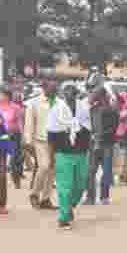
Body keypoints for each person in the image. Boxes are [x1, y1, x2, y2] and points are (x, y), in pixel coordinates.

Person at [47, 84, 92, 230]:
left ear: (76, 94)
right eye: (66, 93)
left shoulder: (83, 109)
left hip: (81, 153)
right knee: (64, 187)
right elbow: (51, 135)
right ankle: (63, 218)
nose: (69, 95)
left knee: (80, 185)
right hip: (63, 153)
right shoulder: (56, 110)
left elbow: (88, 128)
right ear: (63, 95)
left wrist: (76, 126)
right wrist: (51, 156)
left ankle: (69, 206)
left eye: (72, 92)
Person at [24, 79, 58, 210]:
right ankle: (34, 194)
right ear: (44, 88)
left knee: (52, 170)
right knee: (43, 167)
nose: (55, 89)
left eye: (56, 87)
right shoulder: (34, 103)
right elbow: (29, 123)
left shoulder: (59, 102)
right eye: (52, 87)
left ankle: (45, 199)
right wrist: (28, 141)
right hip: (40, 140)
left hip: (55, 141)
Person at [84, 87, 118, 205]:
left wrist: (99, 136)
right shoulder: (92, 110)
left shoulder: (112, 111)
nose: (92, 97)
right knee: (90, 171)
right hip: (94, 144)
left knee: (106, 171)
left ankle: (104, 196)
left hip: (106, 144)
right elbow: (89, 126)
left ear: (101, 96)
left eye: (95, 95)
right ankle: (90, 197)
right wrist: (93, 137)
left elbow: (113, 129)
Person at [0, 87, 25, 188]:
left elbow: (20, 122)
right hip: (1, 136)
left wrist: (22, 136)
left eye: (1, 95)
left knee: (14, 159)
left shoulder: (16, 108)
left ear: (6, 96)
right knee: (1, 159)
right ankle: (1, 181)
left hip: (14, 136)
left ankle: (16, 178)